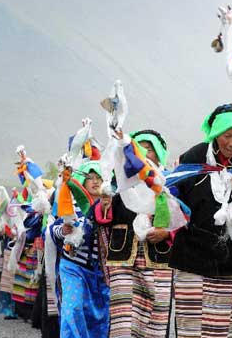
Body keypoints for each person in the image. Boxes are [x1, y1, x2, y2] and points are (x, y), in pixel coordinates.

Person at [168, 104, 232, 338]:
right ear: (215, 133)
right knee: (191, 329)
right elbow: (174, 196)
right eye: (227, 135)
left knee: (226, 331)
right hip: (192, 261)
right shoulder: (194, 157)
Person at [95, 129, 176, 338]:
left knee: (155, 316)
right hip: (122, 258)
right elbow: (100, 217)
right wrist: (105, 205)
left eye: (150, 150)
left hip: (157, 258)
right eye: (139, 149)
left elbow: (180, 218)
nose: (145, 154)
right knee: (123, 318)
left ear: (159, 154)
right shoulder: (119, 182)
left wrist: (166, 233)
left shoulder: (169, 183)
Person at [50, 161, 109, 338]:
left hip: (101, 272)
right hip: (73, 267)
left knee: (100, 316)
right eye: (90, 178)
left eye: (98, 177)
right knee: (73, 309)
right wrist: (63, 230)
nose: (95, 181)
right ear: (81, 182)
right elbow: (53, 229)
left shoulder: (111, 206)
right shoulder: (71, 205)